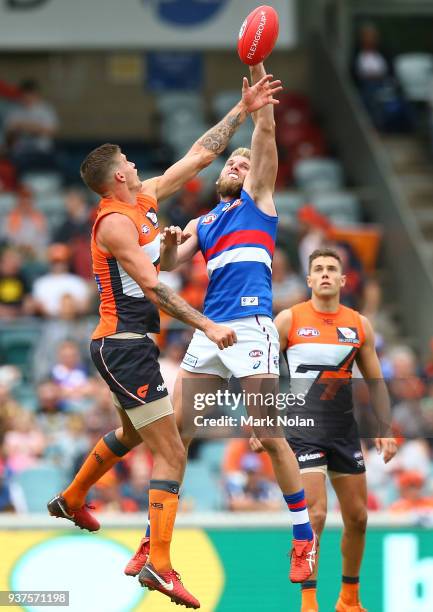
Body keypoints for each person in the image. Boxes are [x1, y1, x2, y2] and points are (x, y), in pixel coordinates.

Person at [47, 72, 281, 609]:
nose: (135, 163)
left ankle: (74, 496)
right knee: (172, 448)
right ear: (117, 178)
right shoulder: (114, 225)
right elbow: (155, 289)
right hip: (123, 344)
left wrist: (243, 109)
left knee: (132, 434)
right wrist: (208, 325)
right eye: (128, 160)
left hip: (130, 346)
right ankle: (160, 564)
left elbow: (200, 155)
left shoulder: (145, 197)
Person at [127, 62, 317, 585]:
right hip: (210, 331)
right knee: (176, 437)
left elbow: (266, 133)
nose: (237, 163)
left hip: (251, 329)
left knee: (267, 432)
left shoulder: (259, 200)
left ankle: (303, 539)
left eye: (243, 159)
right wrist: (166, 245)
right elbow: (170, 266)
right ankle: (154, 541)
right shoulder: (202, 221)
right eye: (230, 162)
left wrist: (256, 73)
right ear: (219, 178)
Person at [270, 248, 397, 612]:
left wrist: (385, 428)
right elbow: (261, 372)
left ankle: (349, 600)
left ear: (343, 280)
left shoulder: (358, 324)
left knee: (358, 517)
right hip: (302, 428)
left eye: (331, 270)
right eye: (318, 269)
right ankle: (309, 603)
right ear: (309, 280)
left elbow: (375, 380)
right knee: (317, 514)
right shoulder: (288, 320)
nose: (325, 274)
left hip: (344, 429)